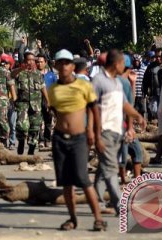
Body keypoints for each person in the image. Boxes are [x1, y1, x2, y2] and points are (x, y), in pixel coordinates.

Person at [49, 49, 106, 231]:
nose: (64, 66)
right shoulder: (53, 89)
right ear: (56, 66)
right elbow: (55, 112)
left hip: (79, 139)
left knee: (83, 179)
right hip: (59, 139)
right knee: (66, 183)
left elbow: (94, 110)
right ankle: (72, 219)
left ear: (72, 66)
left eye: (67, 63)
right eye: (61, 63)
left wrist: (95, 134)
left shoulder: (84, 86)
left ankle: (98, 219)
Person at [92, 49, 146, 215]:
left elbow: (124, 104)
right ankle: (119, 204)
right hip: (104, 131)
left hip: (117, 131)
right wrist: (94, 133)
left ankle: (98, 202)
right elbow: (90, 108)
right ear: (117, 64)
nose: (126, 66)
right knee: (111, 169)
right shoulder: (98, 81)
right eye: (123, 63)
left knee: (103, 169)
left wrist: (137, 115)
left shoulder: (116, 82)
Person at [11, 51, 50, 155]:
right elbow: (11, 75)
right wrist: (21, 68)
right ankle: (21, 142)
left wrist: (48, 101)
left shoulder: (38, 74)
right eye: (29, 59)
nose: (31, 62)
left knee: (35, 127)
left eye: (33, 60)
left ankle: (31, 149)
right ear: (24, 60)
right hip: (22, 104)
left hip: (36, 105)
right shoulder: (20, 72)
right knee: (22, 126)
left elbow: (43, 87)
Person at [118, 55, 143, 183]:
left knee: (129, 151)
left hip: (118, 123)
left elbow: (130, 100)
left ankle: (129, 179)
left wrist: (133, 83)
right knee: (132, 151)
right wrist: (130, 127)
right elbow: (129, 105)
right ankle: (128, 180)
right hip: (122, 124)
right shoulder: (121, 82)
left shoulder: (121, 81)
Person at [36, 53, 57, 148]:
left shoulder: (51, 75)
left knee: (48, 121)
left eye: (41, 62)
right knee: (38, 122)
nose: (39, 64)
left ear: (45, 63)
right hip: (36, 100)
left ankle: (47, 140)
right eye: (37, 62)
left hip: (48, 100)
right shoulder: (34, 74)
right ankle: (40, 140)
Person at [1, 53, 16, 149]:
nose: (4, 65)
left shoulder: (14, 74)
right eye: (2, 62)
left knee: (12, 123)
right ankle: (4, 142)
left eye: (6, 63)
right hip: (3, 103)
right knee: (3, 123)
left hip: (12, 102)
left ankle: (12, 142)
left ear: (10, 65)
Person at [142, 48, 162, 121]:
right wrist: (144, 90)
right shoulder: (151, 66)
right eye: (156, 56)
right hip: (154, 92)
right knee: (154, 110)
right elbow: (145, 79)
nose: (158, 58)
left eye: (160, 56)